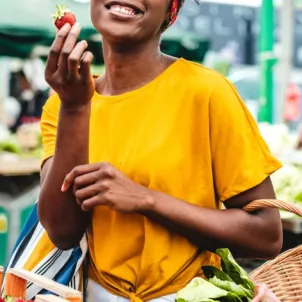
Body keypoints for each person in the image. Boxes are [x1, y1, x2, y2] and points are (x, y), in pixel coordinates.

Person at [38, 0, 283, 301]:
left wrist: (146, 200)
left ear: (171, 10)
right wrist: (75, 109)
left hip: (191, 294)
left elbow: (266, 235)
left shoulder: (207, 92)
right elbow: (62, 233)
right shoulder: (64, 103)